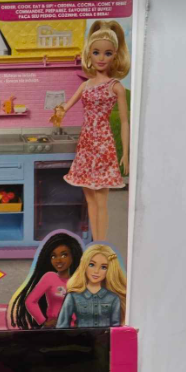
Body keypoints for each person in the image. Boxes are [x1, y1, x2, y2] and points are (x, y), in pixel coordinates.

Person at [51, 20, 130, 242]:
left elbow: (125, 121)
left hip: (103, 145)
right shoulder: (85, 85)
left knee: (101, 200)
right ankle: (96, 242)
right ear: (90, 54)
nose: (101, 58)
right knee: (90, 199)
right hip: (86, 145)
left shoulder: (116, 86)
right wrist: (58, 113)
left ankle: (101, 243)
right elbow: (66, 106)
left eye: (107, 53)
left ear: (115, 56)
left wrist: (125, 152)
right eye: (96, 52)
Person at [8, 232, 83, 329]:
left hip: (75, 329)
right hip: (54, 328)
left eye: (64, 255)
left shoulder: (80, 280)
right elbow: (30, 301)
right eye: (53, 256)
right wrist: (43, 321)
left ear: (73, 256)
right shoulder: (50, 277)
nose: (58, 260)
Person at [56, 244, 126, 328]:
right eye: (92, 265)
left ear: (109, 270)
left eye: (103, 267)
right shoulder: (73, 296)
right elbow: (62, 326)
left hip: (105, 337)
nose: (96, 271)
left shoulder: (113, 298)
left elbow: (116, 328)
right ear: (84, 265)